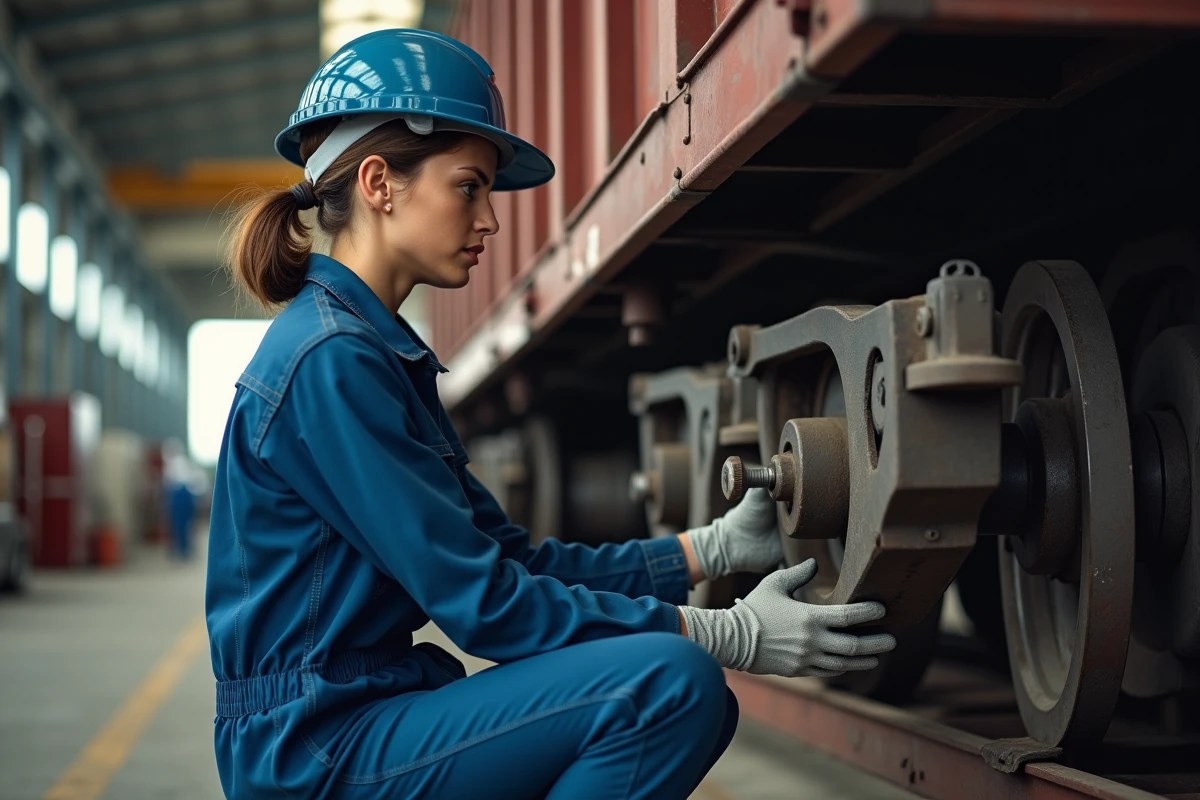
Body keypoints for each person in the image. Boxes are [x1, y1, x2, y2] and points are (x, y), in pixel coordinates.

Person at [206, 29, 896, 800]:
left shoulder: (363, 349)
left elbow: (510, 565)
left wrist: (710, 549)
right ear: (379, 183)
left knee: (684, 693)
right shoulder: (331, 361)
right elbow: (484, 609)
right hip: (315, 749)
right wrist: (725, 632)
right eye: (469, 186)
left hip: (350, 722)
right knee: (668, 686)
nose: (490, 222)